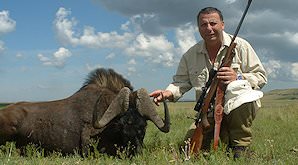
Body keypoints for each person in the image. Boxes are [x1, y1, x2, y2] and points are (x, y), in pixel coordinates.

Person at [149, 7, 267, 159]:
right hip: (207, 113)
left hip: (235, 109)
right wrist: (167, 93)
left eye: (213, 23)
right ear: (198, 28)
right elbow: (180, 82)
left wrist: (238, 77)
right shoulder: (190, 55)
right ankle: (226, 138)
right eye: (204, 25)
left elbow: (261, 76)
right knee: (188, 149)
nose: (209, 28)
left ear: (222, 25)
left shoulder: (241, 46)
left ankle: (240, 147)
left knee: (243, 96)